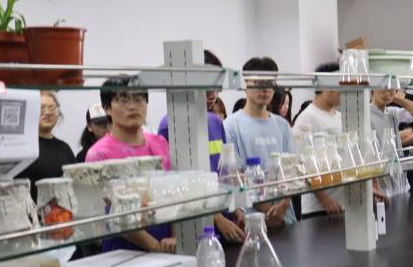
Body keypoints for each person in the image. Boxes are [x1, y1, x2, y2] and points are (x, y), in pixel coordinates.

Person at [156, 50, 243, 243]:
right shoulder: (169, 125)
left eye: (215, 87)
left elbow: (224, 172)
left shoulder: (214, 121)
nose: (213, 95)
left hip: (226, 223)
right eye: (206, 87)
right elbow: (177, 187)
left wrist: (236, 208)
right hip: (195, 226)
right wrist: (217, 219)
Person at [88, 76, 175, 253]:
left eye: (139, 98)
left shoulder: (160, 143)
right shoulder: (98, 153)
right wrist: (154, 246)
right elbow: (114, 213)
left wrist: (175, 236)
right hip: (123, 251)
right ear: (107, 108)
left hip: (167, 244)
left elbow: (172, 194)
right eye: (123, 99)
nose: (133, 106)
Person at [225, 57, 295, 229]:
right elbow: (236, 177)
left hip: (285, 217)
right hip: (252, 221)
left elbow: (292, 171)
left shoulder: (282, 125)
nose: (265, 89)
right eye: (259, 83)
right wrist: (267, 210)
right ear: (246, 83)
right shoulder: (231, 126)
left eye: (270, 83)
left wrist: (283, 205)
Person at [293, 62, 346, 217]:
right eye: (341, 85)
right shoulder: (307, 118)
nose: (344, 91)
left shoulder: (339, 117)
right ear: (326, 85)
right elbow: (302, 165)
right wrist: (324, 200)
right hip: (319, 208)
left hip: (342, 204)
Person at [18, 92, 76, 200]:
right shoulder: (22, 147)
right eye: (41, 108)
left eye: (52, 108)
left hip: (63, 209)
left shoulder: (64, 148)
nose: (48, 112)